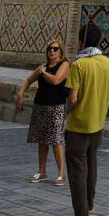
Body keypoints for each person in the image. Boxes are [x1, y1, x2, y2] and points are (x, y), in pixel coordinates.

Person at [64, 21, 109, 216]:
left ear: (81, 41)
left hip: (79, 125)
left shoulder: (78, 65)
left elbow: (72, 98)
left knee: (77, 173)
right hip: (97, 124)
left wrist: (65, 113)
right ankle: (89, 210)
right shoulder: (106, 62)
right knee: (91, 167)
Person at [15, 39, 70, 185]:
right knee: (42, 139)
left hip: (56, 108)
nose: (52, 51)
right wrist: (21, 93)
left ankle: (60, 174)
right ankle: (42, 171)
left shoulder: (64, 64)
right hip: (40, 107)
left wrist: (43, 73)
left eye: (55, 49)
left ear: (61, 52)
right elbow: (28, 80)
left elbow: (56, 80)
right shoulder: (43, 67)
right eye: (50, 48)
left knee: (56, 139)